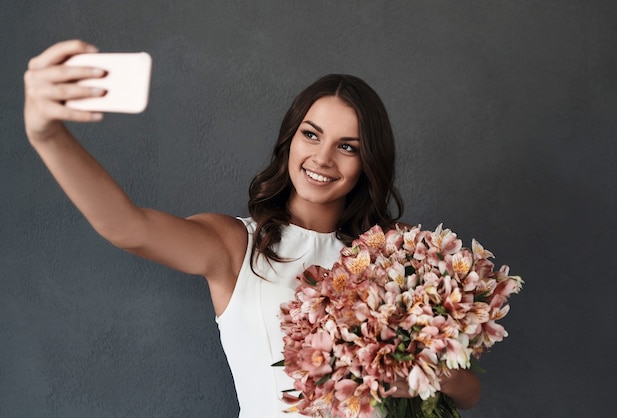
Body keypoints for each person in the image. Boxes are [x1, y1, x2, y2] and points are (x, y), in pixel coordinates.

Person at [24, 39, 481, 417]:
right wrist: (47, 135)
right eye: (311, 134)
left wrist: (415, 376)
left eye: (347, 146)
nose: (322, 159)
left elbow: (468, 391)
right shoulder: (236, 244)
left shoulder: (396, 254)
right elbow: (129, 227)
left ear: (369, 163)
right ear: (289, 138)